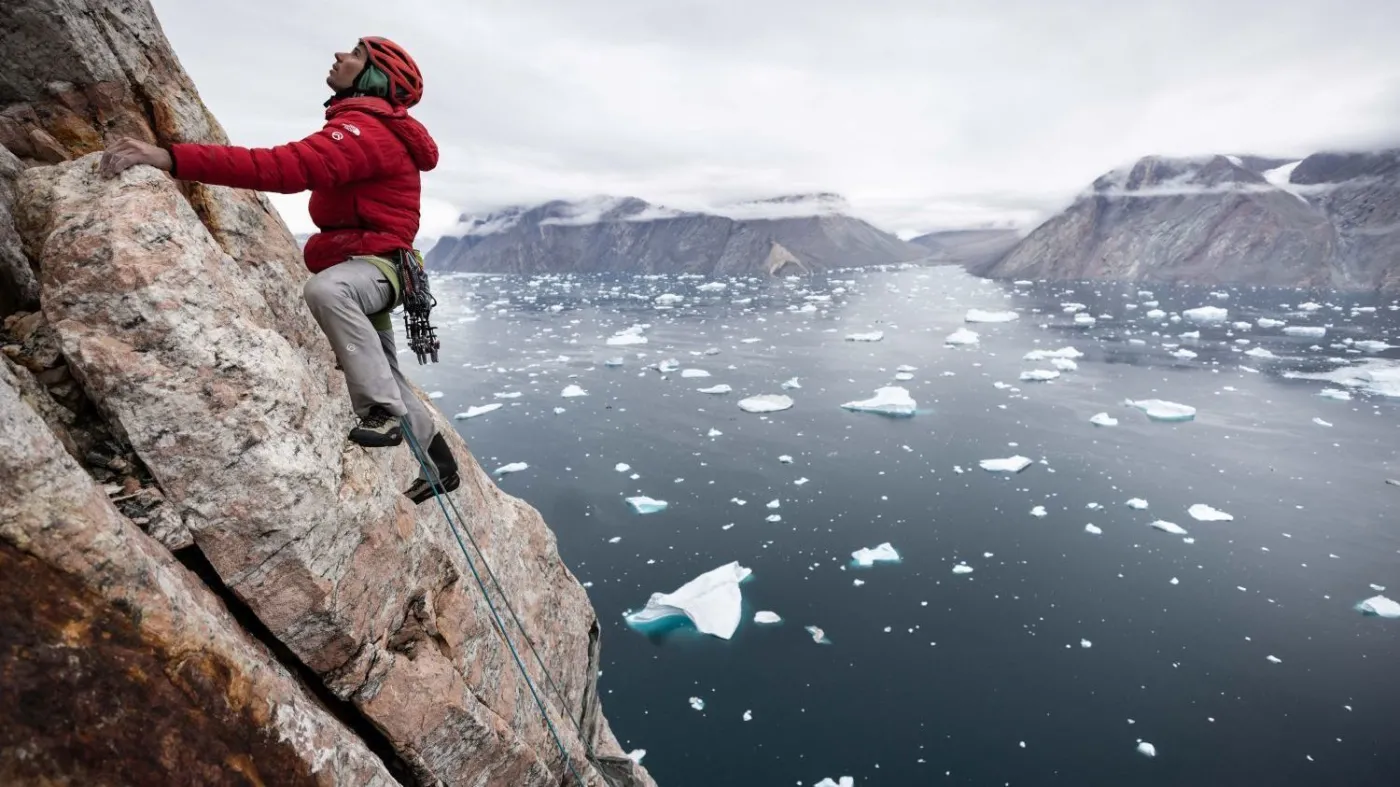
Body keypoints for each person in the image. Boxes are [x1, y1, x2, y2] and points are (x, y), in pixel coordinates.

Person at [99, 37, 459, 504]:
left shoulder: (366, 132)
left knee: (329, 293)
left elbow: (283, 168)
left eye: (354, 54)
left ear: (374, 76)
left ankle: (379, 412)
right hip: (384, 268)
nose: (338, 56)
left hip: (374, 269)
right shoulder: (369, 128)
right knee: (385, 370)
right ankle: (440, 467)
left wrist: (172, 158)